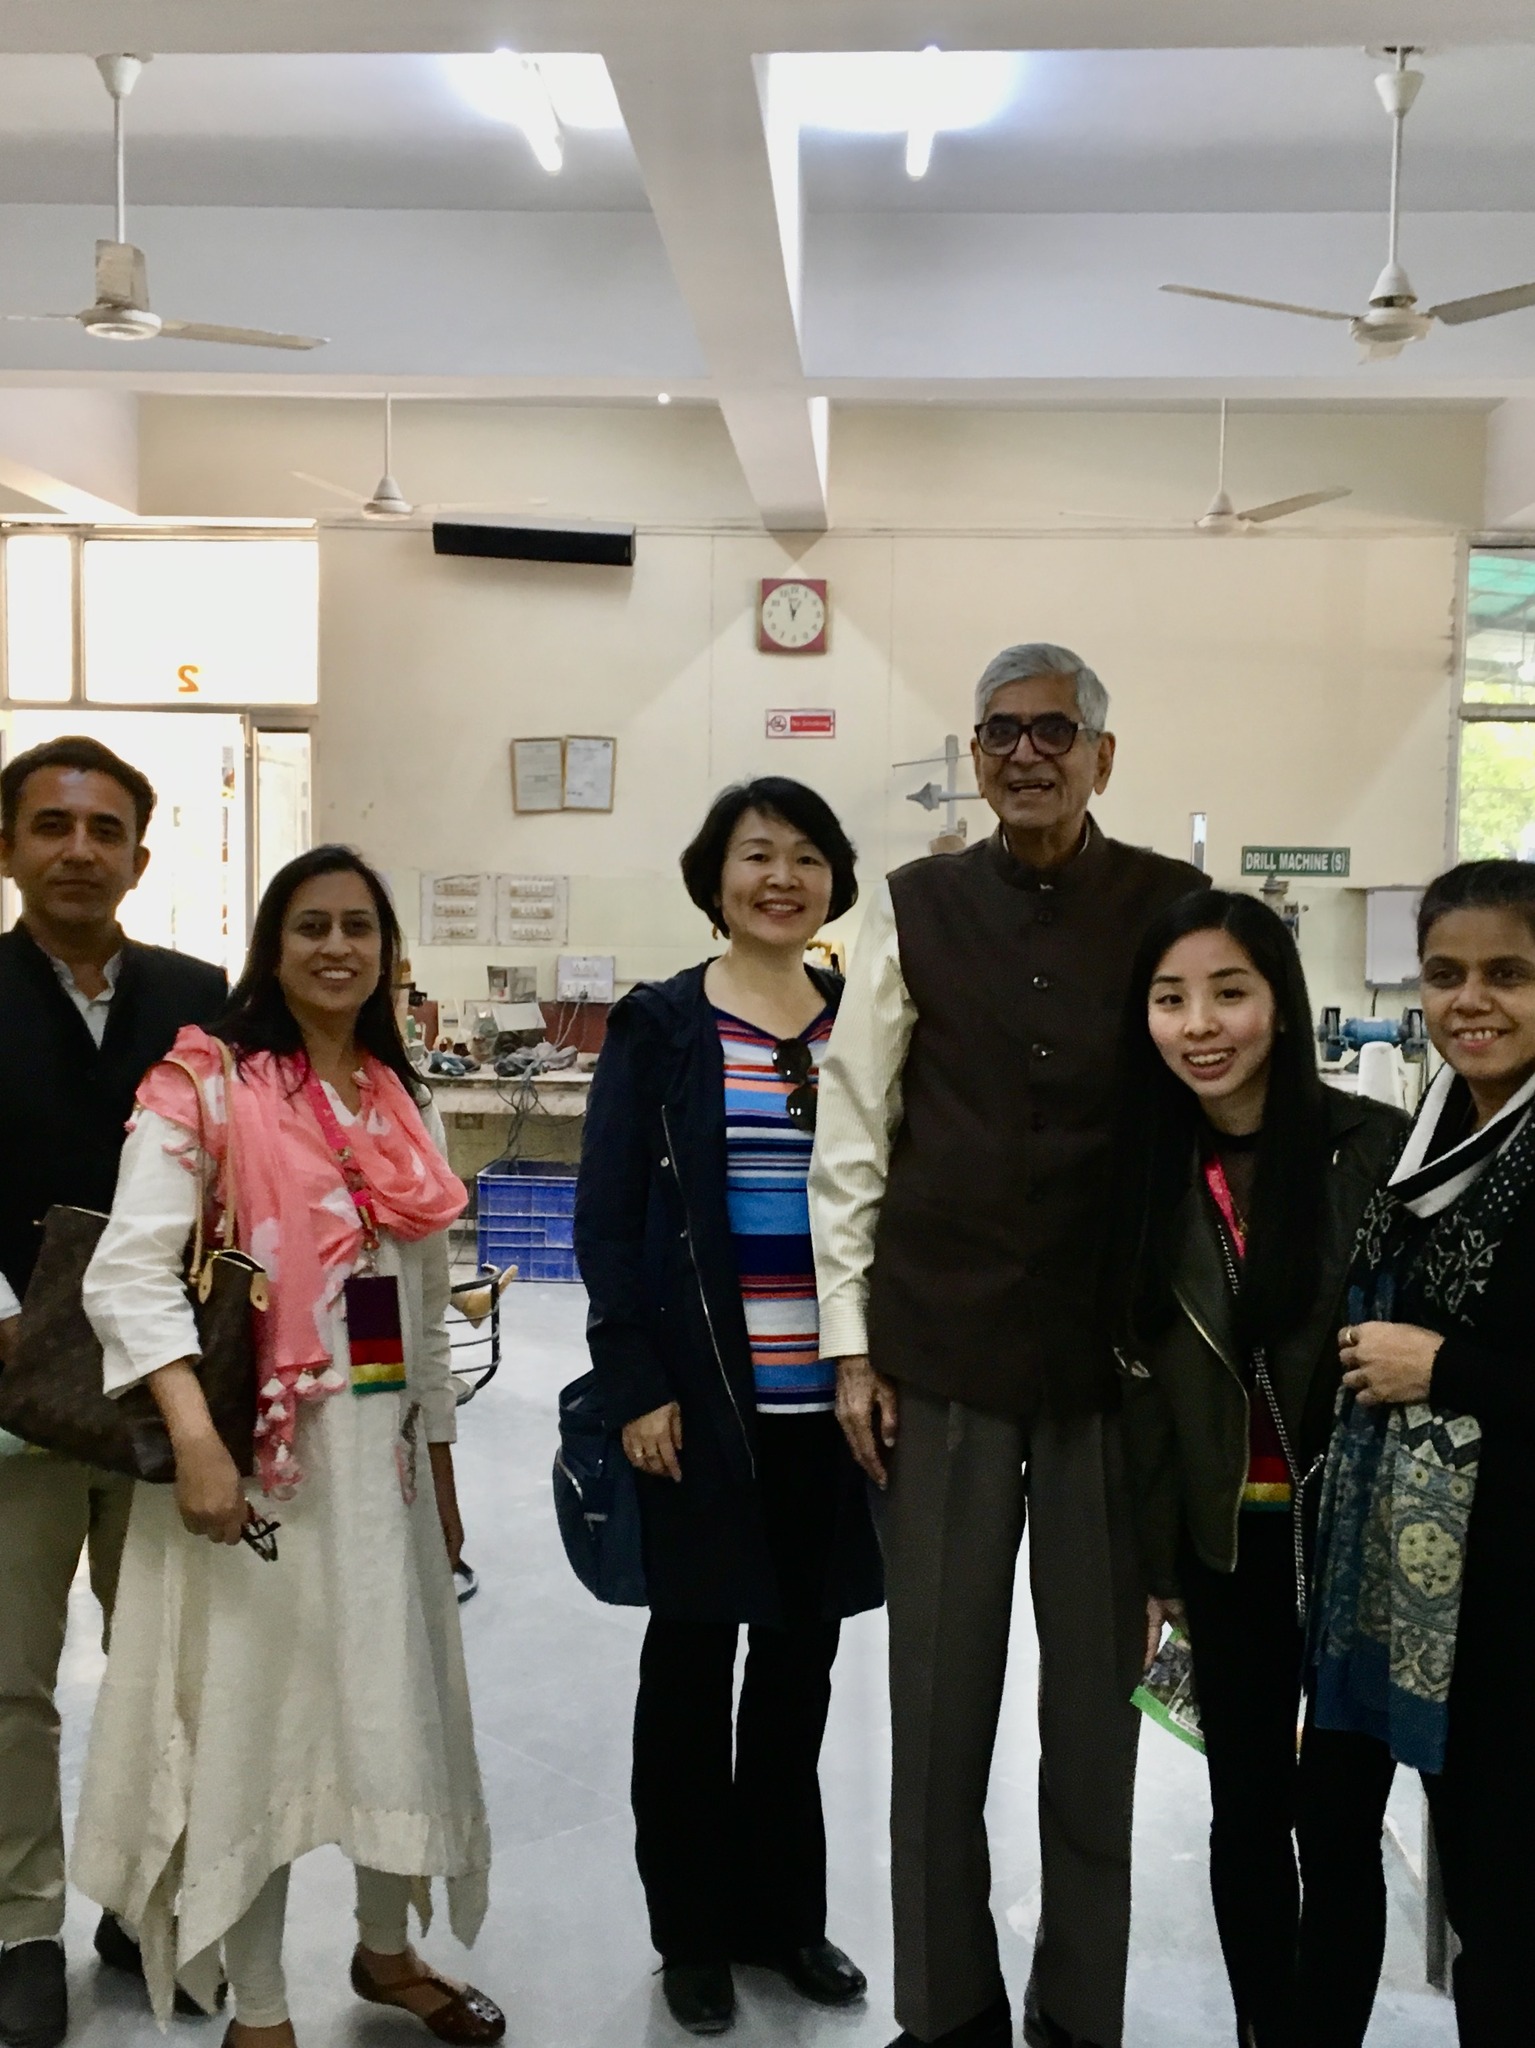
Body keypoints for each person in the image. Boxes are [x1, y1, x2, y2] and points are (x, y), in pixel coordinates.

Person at [810, 642, 1206, 2048]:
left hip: (1107, 1371)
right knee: (934, 1713)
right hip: (940, 1359)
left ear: (1102, 753)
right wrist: (850, 1346)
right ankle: (946, 2010)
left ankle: (1078, 2012)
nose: (1024, 754)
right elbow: (853, 1128)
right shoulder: (910, 906)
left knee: (1094, 1724)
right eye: (998, 733)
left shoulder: (1170, 906)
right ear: (972, 756)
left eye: (1051, 730)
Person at [70, 845, 503, 2048]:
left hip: (382, 1472)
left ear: (386, 951)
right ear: (273, 944)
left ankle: (384, 1948)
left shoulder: (397, 1096)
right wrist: (198, 1442)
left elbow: (418, 1312)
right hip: (251, 1473)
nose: (336, 946)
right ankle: (259, 2008)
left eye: (359, 926)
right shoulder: (204, 1082)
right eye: (311, 924)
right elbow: (127, 1276)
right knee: (256, 1731)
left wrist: (440, 1475)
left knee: (388, 1704)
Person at [575, 778, 882, 2038]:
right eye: (756, 854)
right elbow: (607, 1217)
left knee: (800, 1673)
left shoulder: (862, 1023)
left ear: (833, 880)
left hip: (831, 1404)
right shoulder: (660, 1025)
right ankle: (693, 1932)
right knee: (692, 1674)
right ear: (714, 877)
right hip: (700, 1407)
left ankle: (783, 1915)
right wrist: (635, 1379)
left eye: (805, 856)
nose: (780, 877)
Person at [1110, 892, 1405, 2048]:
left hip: (1352, 1544)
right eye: (1169, 998)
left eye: (1227, 991)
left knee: (1337, 1823)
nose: (1198, 1024)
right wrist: (1156, 1564)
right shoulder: (1144, 1170)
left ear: (1278, 1002)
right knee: (1243, 1814)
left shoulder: (1371, 1149)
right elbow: (1138, 1394)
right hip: (1224, 1544)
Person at [0, 735, 226, 2048]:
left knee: (170, 1671)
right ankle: (20, 1924)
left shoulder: (199, 998)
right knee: (8, 1683)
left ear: (140, 856)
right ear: (11, 847)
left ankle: (149, 1906)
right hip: (11, 1393)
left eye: (103, 830)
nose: (78, 850)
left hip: (161, 1393)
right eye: (52, 825)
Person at [1305, 859, 1535, 2047]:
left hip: (1501, 1601)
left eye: (1507, 973)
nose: (1469, 1000)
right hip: (1377, 1578)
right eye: (1444, 973)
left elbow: (1438, 1355)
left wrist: (1445, 1369)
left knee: (1501, 1897)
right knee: (1331, 1841)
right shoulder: (1427, 1134)